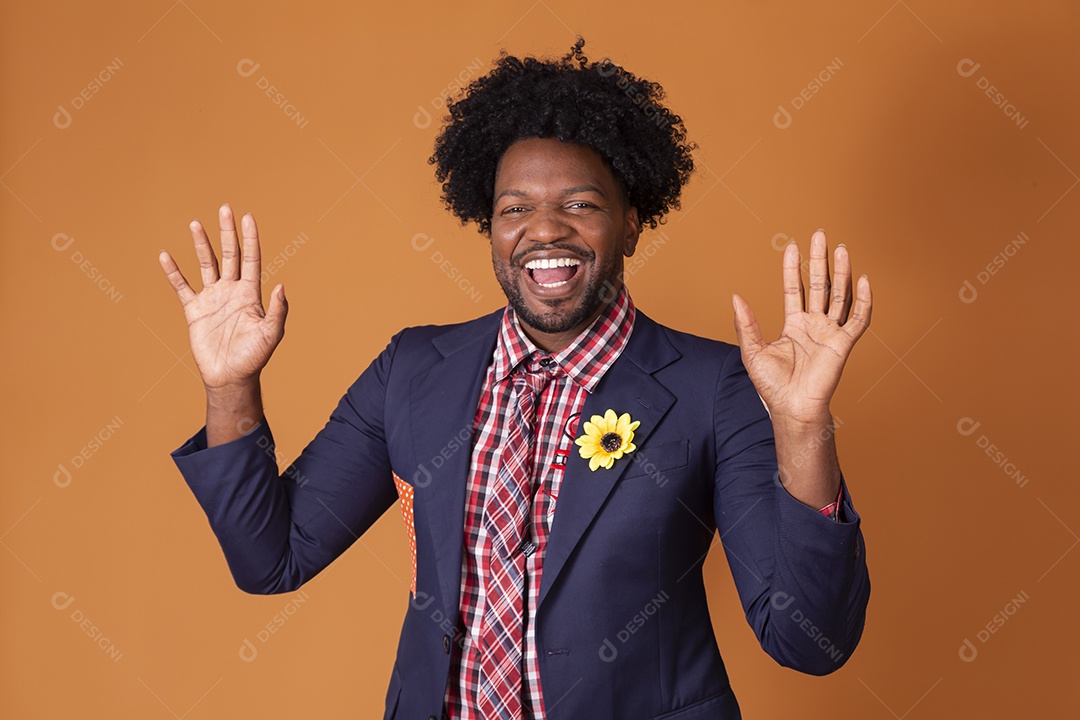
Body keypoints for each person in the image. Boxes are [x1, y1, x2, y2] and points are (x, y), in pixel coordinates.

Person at [159, 38, 872, 720]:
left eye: (581, 204)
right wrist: (230, 389)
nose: (545, 230)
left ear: (631, 224)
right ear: (489, 226)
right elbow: (271, 557)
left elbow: (809, 642)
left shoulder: (715, 386)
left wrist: (805, 428)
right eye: (514, 209)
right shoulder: (413, 370)